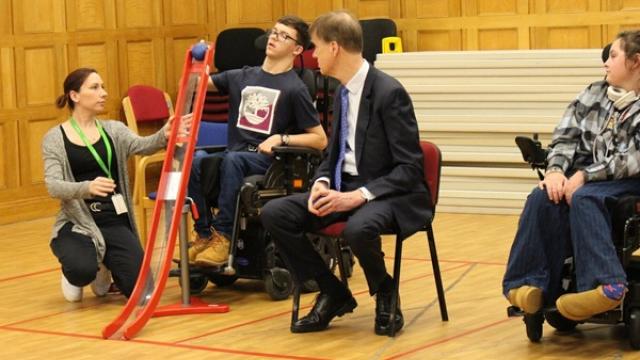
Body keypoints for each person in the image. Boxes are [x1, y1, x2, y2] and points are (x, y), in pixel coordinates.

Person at [260, 11, 431, 336]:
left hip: (389, 194)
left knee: (357, 229)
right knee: (275, 213)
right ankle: (332, 291)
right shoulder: (341, 93)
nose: (313, 56)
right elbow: (333, 153)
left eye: (316, 47)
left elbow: (410, 169)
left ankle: (384, 290)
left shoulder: (388, 93)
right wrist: (323, 182)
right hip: (345, 188)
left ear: (335, 47)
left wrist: (357, 195)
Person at [503, 31, 640, 321]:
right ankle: (529, 284)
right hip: (585, 174)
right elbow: (565, 138)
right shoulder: (591, 93)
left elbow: (631, 160)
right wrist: (554, 172)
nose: (606, 62)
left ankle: (608, 284)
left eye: (614, 56)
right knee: (542, 196)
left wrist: (584, 177)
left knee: (585, 197)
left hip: (627, 179)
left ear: (635, 62)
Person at [188, 15, 327, 267]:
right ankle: (205, 235)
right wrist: (197, 60)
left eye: (284, 35)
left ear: (297, 49)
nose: (274, 37)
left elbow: (319, 139)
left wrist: (281, 138)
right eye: (274, 32)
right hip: (236, 155)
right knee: (196, 162)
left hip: (269, 161)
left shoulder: (295, 88)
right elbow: (195, 84)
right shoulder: (242, 76)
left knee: (233, 160)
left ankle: (224, 237)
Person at [43, 68, 183, 302]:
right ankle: (84, 269)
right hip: (78, 222)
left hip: (113, 217)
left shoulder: (114, 130)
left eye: (103, 87)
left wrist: (164, 134)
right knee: (81, 270)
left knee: (142, 292)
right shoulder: (55, 138)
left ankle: (105, 264)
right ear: (75, 96)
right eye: (95, 88)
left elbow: (143, 145)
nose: (103, 93)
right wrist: (86, 187)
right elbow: (53, 185)